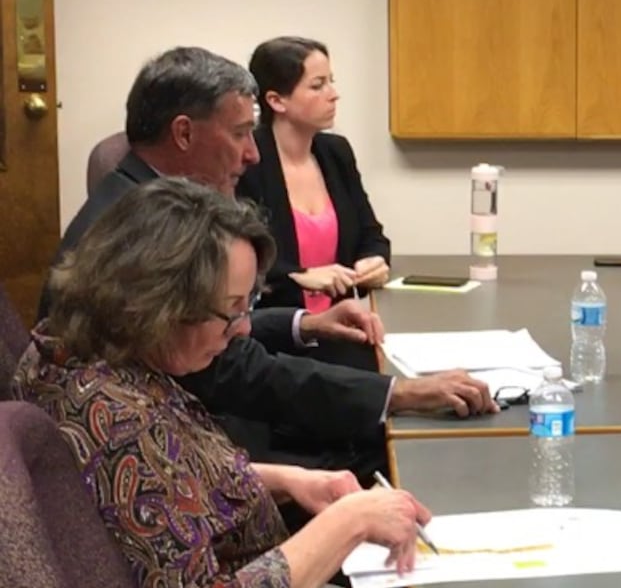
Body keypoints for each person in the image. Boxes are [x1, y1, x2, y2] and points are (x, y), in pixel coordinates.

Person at [14, 179, 426, 588]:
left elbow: (161, 488)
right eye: (230, 310)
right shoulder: (117, 420)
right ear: (160, 302)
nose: (240, 329)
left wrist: (283, 479)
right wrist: (348, 522)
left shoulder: (79, 353)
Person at [46, 46, 494, 475]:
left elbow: (212, 332)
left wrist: (304, 323)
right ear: (184, 133)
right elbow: (230, 369)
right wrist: (398, 394)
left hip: (205, 426)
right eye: (240, 133)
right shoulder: (149, 233)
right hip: (208, 449)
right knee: (408, 452)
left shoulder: (136, 201)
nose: (253, 153)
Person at [239, 36, 391, 315]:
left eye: (331, 81)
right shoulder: (247, 160)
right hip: (275, 330)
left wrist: (374, 260)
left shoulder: (335, 152)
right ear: (276, 100)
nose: (333, 94)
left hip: (340, 323)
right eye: (318, 85)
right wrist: (299, 275)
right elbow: (239, 260)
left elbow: (372, 235)